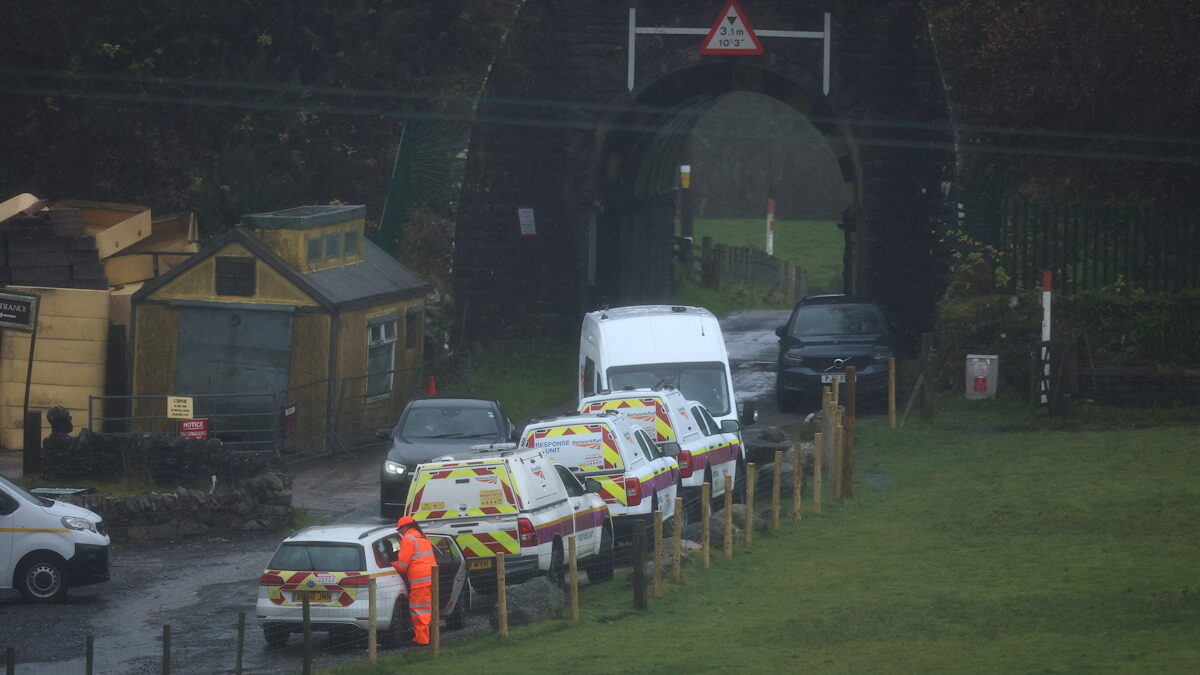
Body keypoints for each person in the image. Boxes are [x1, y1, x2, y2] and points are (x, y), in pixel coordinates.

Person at [392, 516, 435, 645]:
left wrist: (393, 564)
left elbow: (403, 566)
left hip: (419, 581)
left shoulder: (408, 539)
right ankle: (427, 637)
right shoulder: (422, 537)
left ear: (406, 527)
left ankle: (422, 640)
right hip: (430, 578)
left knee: (419, 610)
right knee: (426, 610)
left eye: (400, 529)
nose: (400, 532)